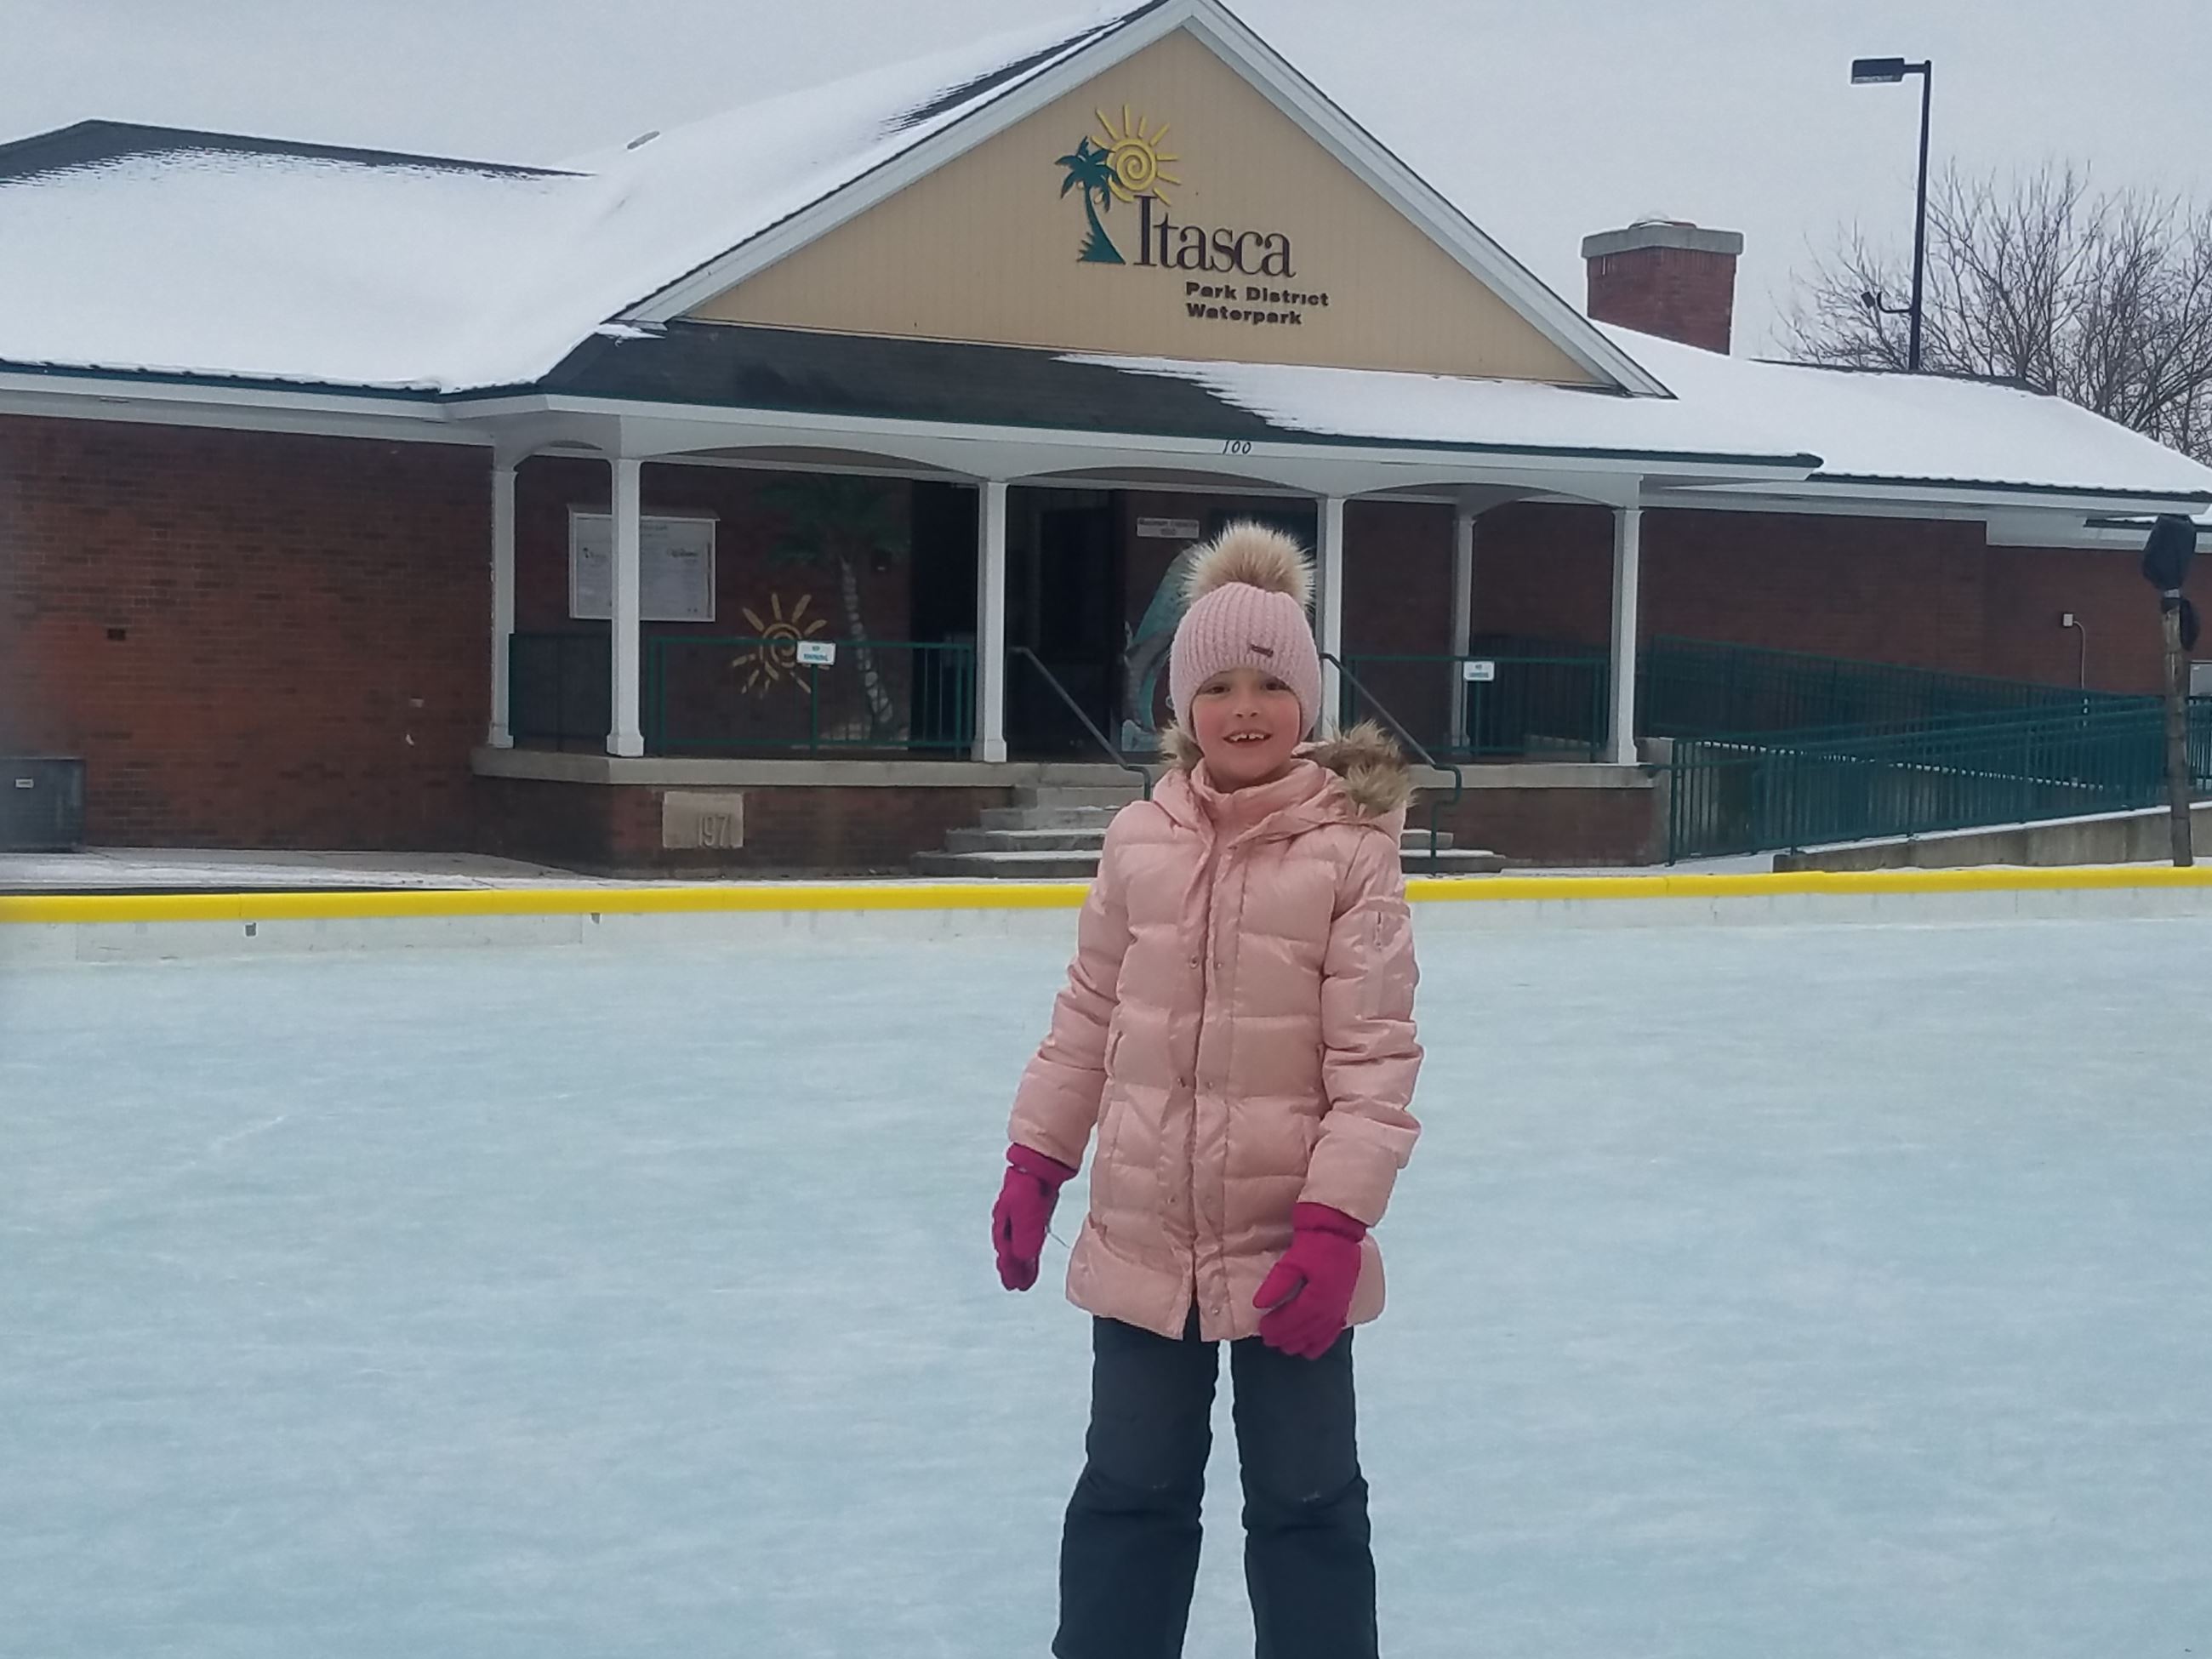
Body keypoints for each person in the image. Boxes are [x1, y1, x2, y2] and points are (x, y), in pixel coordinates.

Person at [989, 521, 1424, 1659]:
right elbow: (1087, 1014)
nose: (1245, 707)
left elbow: (1374, 1059)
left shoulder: (1349, 853)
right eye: (1219, 684)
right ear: (1181, 704)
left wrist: (1335, 1223)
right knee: (1129, 1493)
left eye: (1271, 684)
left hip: (1291, 1247)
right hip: (1143, 1236)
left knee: (1308, 1501)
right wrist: (1038, 1160)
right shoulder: (1140, 841)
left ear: (1307, 704)